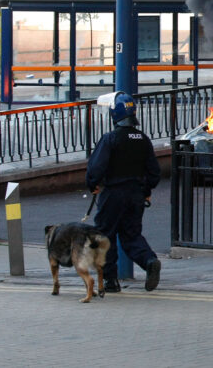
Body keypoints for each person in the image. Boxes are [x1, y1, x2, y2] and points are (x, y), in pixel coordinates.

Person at [86, 91, 162, 293]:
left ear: (115, 114)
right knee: (131, 235)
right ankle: (149, 261)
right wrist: (146, 190)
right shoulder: (143, 140)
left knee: (105, 235)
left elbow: (95, 168)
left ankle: (111, 281)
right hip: (135, 194)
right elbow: (154, 171)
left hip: (113, 194)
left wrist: (92, 184)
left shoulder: (110, 139)